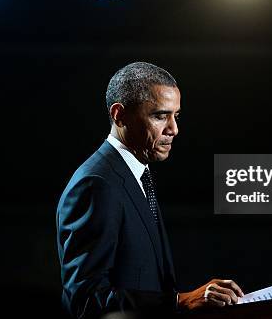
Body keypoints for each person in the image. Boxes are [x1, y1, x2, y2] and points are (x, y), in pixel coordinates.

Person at [57, 62, 244, 319]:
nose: (174, 130)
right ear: (119, 115)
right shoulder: (96, 185)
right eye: (159, 116)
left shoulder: (137, 174)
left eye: (175, 116)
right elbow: (85, 300)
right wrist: (180, 301)